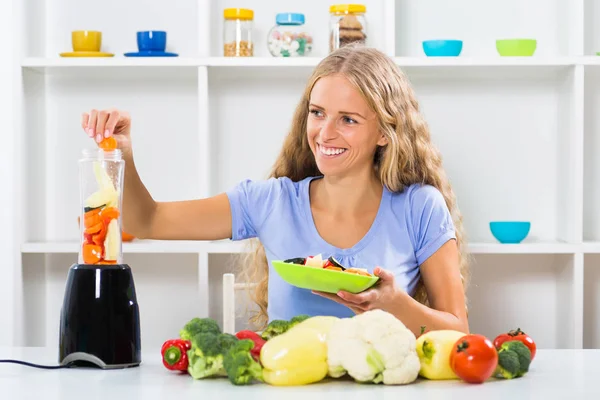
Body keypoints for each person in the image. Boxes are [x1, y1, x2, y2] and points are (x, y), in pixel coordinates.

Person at [81, 44, 470, 337]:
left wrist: (394, 303)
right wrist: (124, 155)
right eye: (317, 113)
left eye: (348, 119)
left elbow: (459, 332)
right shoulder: (270, 201)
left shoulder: (420, 207)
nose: (325, 133)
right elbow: (147, 221)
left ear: (385, 132)